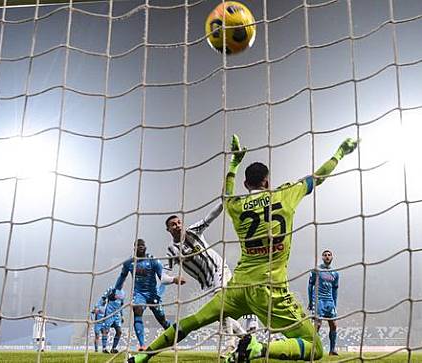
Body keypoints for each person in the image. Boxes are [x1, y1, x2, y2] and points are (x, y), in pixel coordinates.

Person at [129, 135, 358, 363]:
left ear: (246, 185)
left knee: (193, 321)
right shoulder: (286, 194)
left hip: (237, 287)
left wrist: (234, 163)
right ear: (267, 182)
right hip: (270, 288)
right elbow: (318, 177)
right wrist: (340, 153)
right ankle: (258, 348)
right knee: (315, 348)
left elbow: (226, 194)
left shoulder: (236, 205)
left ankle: (142, 356)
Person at [164, 204, 252, 356]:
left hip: (219, 269)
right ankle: (246, 338)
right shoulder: (172, 250)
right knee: (221, 314)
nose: (177, 226)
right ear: (168, 230)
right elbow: (163, 274)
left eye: (179, 223)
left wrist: (223, 203)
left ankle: (229, 343)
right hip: (207, 284)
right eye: (173, 225)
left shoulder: (193, 231)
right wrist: (173, 279)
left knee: (221, 306)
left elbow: (209, 217)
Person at [114, 238, 185, 351]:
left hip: (153, 294)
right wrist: (116, 290)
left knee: (161, 319)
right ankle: (142, 345)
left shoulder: (153, 261)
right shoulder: (129, 263)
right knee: (137, 311)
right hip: (139, 294)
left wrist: (174, 279)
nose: (141, 246)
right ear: (134, 248)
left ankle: (173, 337)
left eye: (142, 245)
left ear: (145, 247)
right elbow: (122, 277)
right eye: (138, 245)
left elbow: (163, 277)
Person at [308, 249, 339, 356]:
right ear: (322, 257)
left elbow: (335, 289)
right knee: (318, 324)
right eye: (325, 255)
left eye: (329, 255)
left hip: (329, 301)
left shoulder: (335, 273)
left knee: (334, 325)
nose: (327, 256)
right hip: (318, 300)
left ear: (332, 257)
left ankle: (332, 350)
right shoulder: (316, 270)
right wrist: (310, 301)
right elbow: (310, 285)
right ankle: (312, 348)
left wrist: (335, 303)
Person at [101, 288, 125, 354]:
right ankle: (104, 348)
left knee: (119, 331)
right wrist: (103, 301)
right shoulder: (111, 289)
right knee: (106, 331)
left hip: (117, 315)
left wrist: (122, 315)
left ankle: (113, 348)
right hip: (109, 313)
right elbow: (103, 297)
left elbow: (121, 305)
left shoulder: (123, 292)